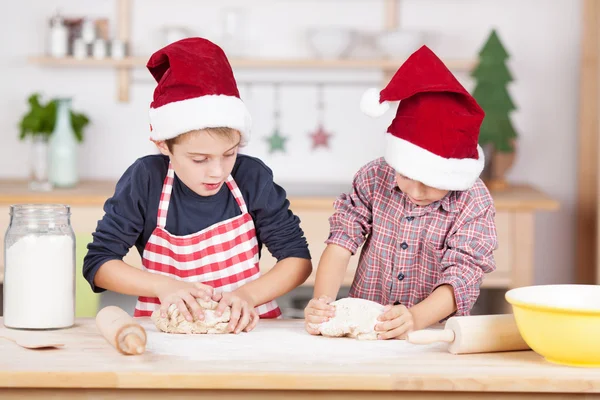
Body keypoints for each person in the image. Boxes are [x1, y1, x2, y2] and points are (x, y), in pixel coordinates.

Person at [83, 37, 312, 334]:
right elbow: (99, 264)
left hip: (248, 334)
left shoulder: (251, 177)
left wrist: (248, 295)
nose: (217, 172)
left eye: (229, 154)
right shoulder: (146, 179)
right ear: (164, 144)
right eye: (199, 159)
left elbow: (298, 259)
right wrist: (162, 286)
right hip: (168, 338)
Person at [304, 45, 498, 340]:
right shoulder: (374, 176)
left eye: (432, 181)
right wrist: (323, 303)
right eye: (407, 176)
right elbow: (341, 242)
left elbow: (463, 276)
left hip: (433, 335)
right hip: (366, 328)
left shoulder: (473, 200)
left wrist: (415, 318)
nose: (416, 191)